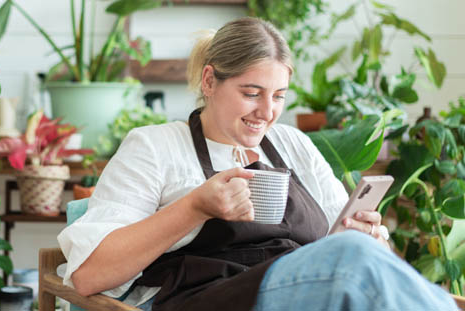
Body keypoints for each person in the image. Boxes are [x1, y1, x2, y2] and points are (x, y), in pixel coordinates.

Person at [57, 17, 457, 311]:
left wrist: (370, 236)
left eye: (279, 96)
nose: (267, 113)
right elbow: (89, 275)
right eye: (252, 93)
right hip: (209, 300)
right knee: (349, 260)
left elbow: (348, 245)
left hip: (307, 294)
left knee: (358, 252)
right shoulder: (156, 146)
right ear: (210, 82)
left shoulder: (293, 144)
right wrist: (194, 207)